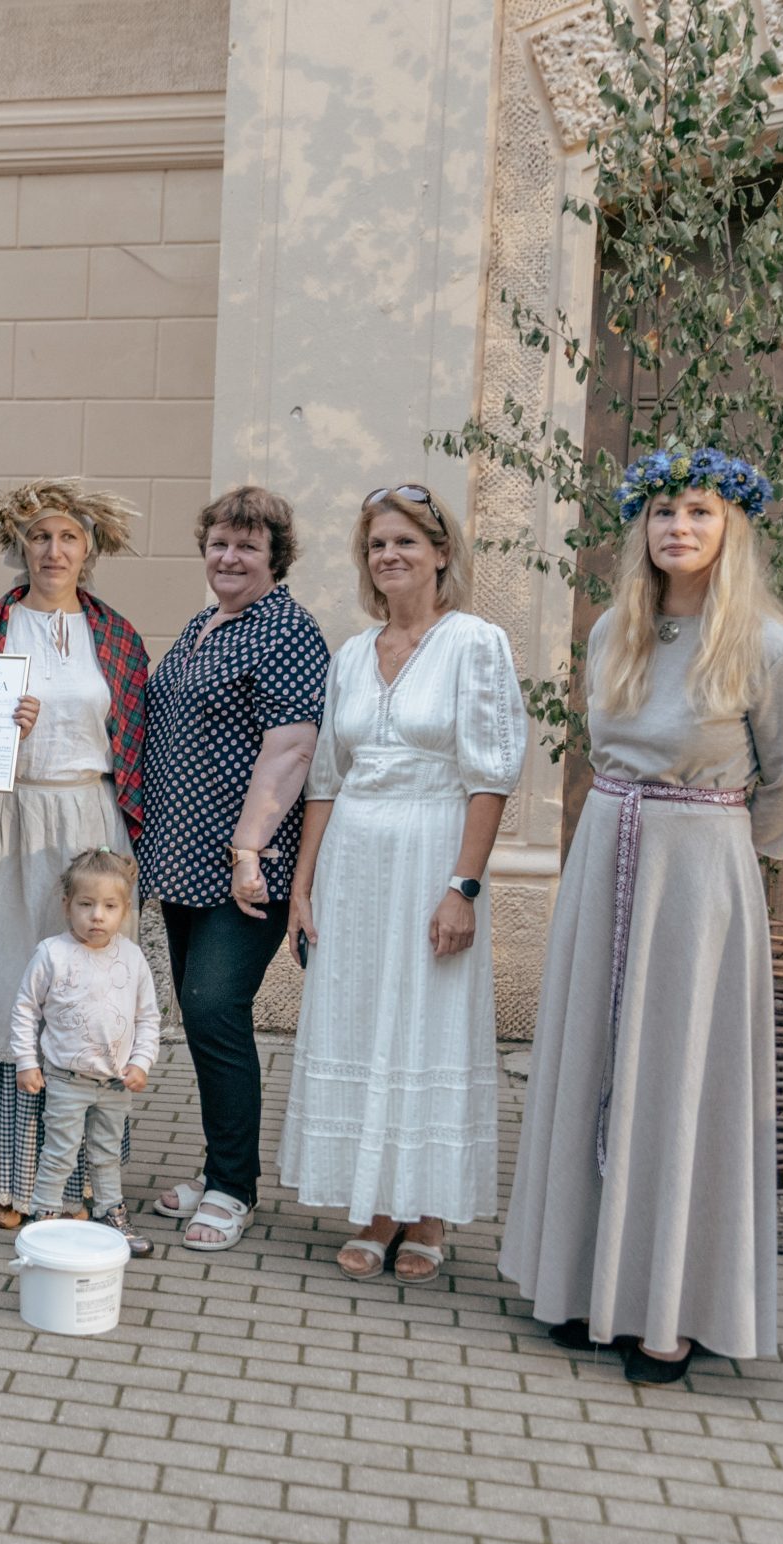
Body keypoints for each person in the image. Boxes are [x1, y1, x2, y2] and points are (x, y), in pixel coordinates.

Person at [500, 449, 783, 1385]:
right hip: (609, 850)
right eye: (662, 512)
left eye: (699, 511)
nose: (678, 527)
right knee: (594, 1063)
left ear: (732, 528)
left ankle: (669, 1310)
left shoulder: (768, 648)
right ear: (640, 529)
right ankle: (582, 1284)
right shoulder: (616, 631)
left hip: (696, 875)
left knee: (678, 1080)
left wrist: (719, 862)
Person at [282, 486, 527, 1282]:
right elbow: (326, 779)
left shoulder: (475, 643)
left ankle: (428, 1214)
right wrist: (303, 887)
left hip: (432, 853)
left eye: (406, 542)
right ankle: (376, 1207)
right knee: (361, 1023)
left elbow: (490, 775)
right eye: (377, 544)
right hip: (354, 862)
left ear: (441, 552)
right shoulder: (352, 654)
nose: (389, 555)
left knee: (429, 1024)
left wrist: (465, 886)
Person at [0, 479, 150, 1230]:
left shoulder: (117, 637)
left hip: (90, 824)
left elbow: (135, 749)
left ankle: (81, 1175)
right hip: (6, 824)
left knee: (89, 998)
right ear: (20, 545)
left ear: (90, 548)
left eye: (68, 537)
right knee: (7, 989)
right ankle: (1, 1174)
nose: (53, 550)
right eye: (40, 536)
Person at [135, 486, 328, 1253]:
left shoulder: (286, 630)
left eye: (248, 544)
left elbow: (292, 747)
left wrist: (247, 849)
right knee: (201, 1013)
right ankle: (219, 1164)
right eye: (219, 542)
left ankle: (234, 1186)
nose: (230, 556)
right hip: (184, 860)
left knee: (215, 1007)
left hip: (247, 868)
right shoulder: (203, 624)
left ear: (276, 555)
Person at [12, 848, 162, 1256]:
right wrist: (26, 1062)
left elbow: (148, 1017)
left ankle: (109, 1212)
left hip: (116, 1083)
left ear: (125, 910)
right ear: (67, 905)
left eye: (109, 906)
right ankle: (44, 1217)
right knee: (59, 1151)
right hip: (66, 1079)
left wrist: (141, 1062)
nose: (97, 916)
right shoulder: (52, 954)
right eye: (86, 904)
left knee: (106, 1154)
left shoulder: (132, 957)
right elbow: (25, 1009)